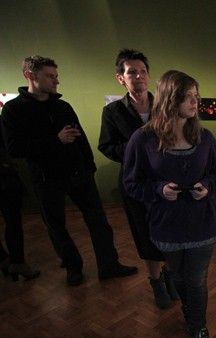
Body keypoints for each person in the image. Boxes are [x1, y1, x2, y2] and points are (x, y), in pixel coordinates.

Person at [123, 70, 216, 338]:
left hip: (202, 224)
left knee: (196, 280)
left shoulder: (204, 137)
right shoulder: (143, 139)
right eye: (188, 97)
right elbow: (131, 183)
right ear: (171, 98)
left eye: (196, 96)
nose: (195, 102)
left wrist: (208, 187)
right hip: (166, 225)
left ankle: (199, 333)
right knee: (180, 277)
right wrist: (159, 190)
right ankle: (189, 312)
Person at [0, 55, 138, 286]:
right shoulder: (13, 110)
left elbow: (80, 138)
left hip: (79, 174)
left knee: (99, 221)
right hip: (46, 179)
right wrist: (55, 140)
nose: (56, 81)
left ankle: (109, 265)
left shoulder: (62, 106)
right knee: (56, 226)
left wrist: (89, 167)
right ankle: (73, 268)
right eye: (50, 76)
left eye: (56, 76)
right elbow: (15, 148)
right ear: (30, 75)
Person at [98, 49, 177, 309]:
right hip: (136, 183)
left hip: (166, 180)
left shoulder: (164, 107)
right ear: (121, 78)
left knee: (168, 231)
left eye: (143, 71)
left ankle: (169, 274)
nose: (139, 76)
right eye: (132, 72)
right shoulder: (113, 111)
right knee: (145, 233)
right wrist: (139, 148)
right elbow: (107, 146)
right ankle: (156, 281)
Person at [0, 129, 40, 281]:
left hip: (5, 175)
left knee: (13, 221)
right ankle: (17, 262)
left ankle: (4, 259)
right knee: (13, 221)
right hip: (5, 177)